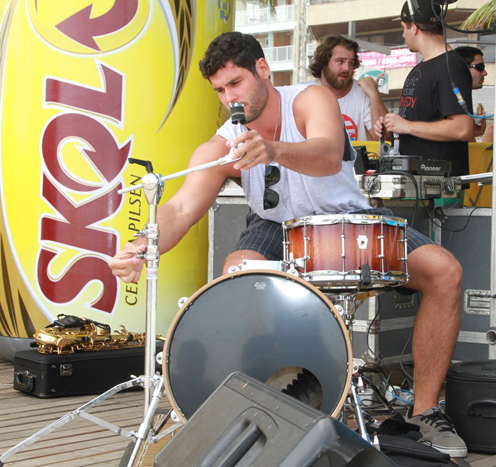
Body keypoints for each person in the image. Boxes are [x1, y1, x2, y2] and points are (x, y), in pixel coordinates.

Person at [108, 31, 466, 457]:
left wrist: (272, 149)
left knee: (445, 271)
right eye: (220, 90)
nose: (229, 98)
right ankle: (268, 410)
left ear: (263, 70)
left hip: (346, 217)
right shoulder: (222, 142)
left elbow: (329, 153)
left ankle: (425, 411)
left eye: (236, 83)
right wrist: (141, 243)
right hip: (276, 224)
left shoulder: (310, 98)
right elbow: (182, 208)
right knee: (239, 270)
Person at [373, 0, 474, 177]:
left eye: (404, 28)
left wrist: (407, 126)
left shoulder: (451, 67)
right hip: (416, 182)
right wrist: (392, 129)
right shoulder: (421, 68)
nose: (403, 35)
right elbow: (419, 122)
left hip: (440, 186)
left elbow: (462, 128)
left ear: (414, 27)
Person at [310, 35, 388, 142]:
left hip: (354, 159)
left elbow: (385, 139)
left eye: (350, 63)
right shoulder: (304, 93)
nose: (346, 68)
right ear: (324, 63)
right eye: (340, 61)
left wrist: (374, 94)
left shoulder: (363, 92)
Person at [454, 46, 488, 137]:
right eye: (480, 67)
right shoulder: (448, 96)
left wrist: (471, 133)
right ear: (462, 68)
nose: (485, 73)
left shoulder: (463, 95)